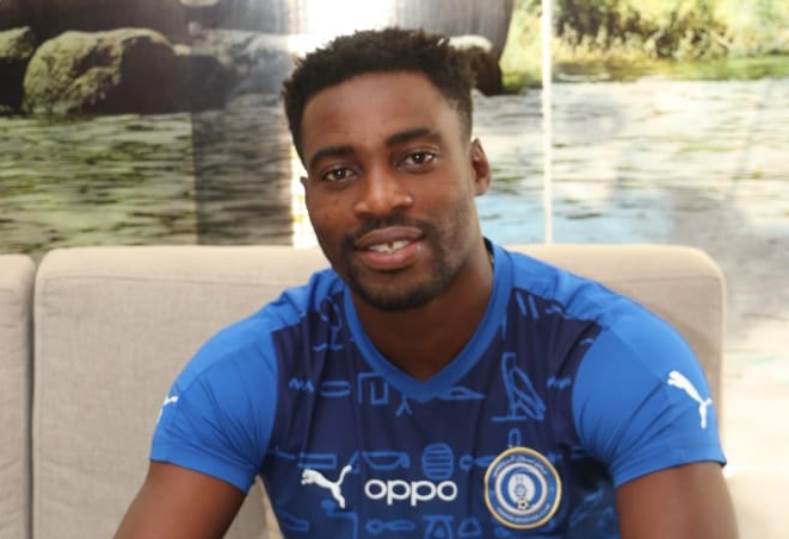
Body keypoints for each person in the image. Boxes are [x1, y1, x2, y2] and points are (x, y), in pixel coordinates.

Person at [115, 28, 738, 539]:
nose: (379, 198)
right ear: (309, 198)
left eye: (416, 158)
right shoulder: (257, 369)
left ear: (476, 168)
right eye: (339, 173)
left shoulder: (612, 357)